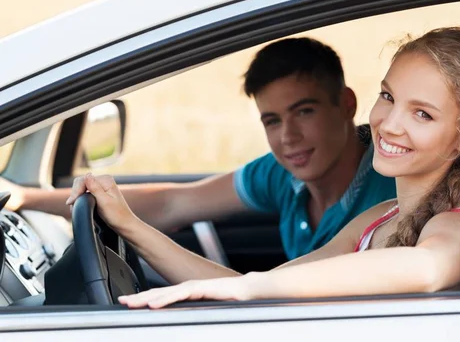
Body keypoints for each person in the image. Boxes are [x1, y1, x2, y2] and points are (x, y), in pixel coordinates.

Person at [72, 26, 460, 308]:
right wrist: (129, 225)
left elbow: (431, 269)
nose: (388, 124)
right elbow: (262, 287)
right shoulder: (381, 219)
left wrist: (249, 287)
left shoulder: (455, 227)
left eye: (422, 114)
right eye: (389, 97)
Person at [2, 37, 397, 260]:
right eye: (271, 121)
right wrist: (26, 198)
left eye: (304, 112)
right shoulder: (281, 174)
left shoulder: (390, 189)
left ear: (346, 104)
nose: (287, 137)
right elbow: (176, 203)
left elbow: (279, 291)